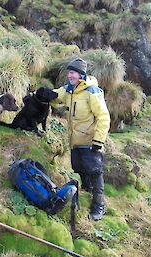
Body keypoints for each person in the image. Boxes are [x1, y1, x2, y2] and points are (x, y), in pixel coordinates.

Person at [51, 58, 110, 221]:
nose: (69, 75)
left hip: (91, 141)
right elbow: (55, 95)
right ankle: (87, 192)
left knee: (95, 170)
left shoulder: (92, 91)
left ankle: (99, 204)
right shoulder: (69, 89)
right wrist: (39, 94)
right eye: (69, 72)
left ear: (81, 74)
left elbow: (103, 116)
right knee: (79, 168)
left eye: (72, 72)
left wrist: (99, 140)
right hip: (75, 140)